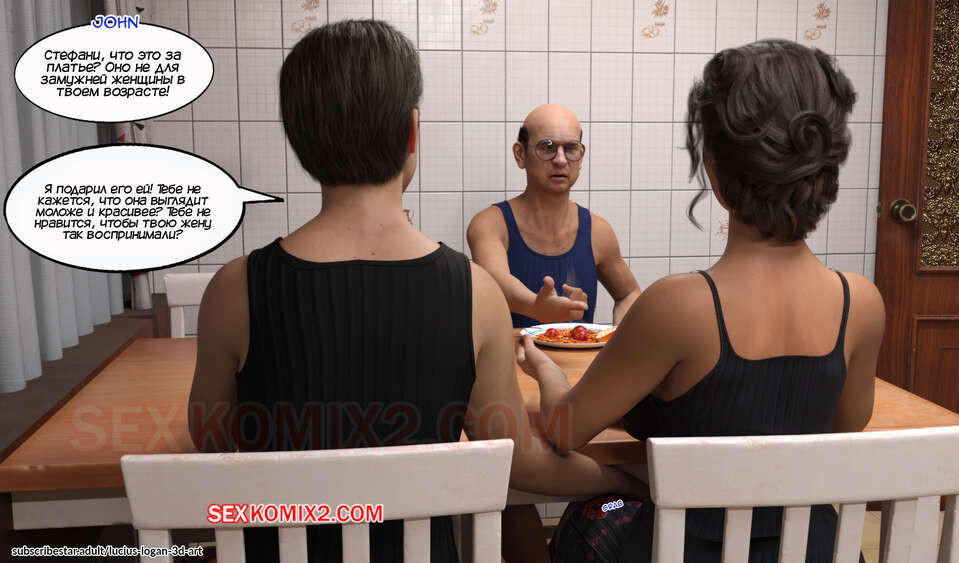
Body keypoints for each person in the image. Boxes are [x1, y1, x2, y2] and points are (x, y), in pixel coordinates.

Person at [187, 20, 643, 563]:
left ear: (298, 138)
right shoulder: (474, 293)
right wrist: (626, 479)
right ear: (412, 132)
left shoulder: (234, 289)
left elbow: (213, 442)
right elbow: (518, 463)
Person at [518, 39, 885, 562]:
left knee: (591, 515)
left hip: (683, 549)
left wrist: (546, 370)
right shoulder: (861, 302)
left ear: (713, 168)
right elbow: (844, 428)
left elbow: (565, 430)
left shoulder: (679, 306)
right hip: (814, 550)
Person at [467, 104, 641, 328]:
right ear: (520, 154)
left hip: (580, 353)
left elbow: (629, 293)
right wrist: (536, 307)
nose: (560, 159)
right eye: (547, 147)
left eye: (570, 148)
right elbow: (495, 280)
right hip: (510, 352)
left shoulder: (598, 231)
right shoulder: (491, 223)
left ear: (581, 156)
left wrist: (618, 339)